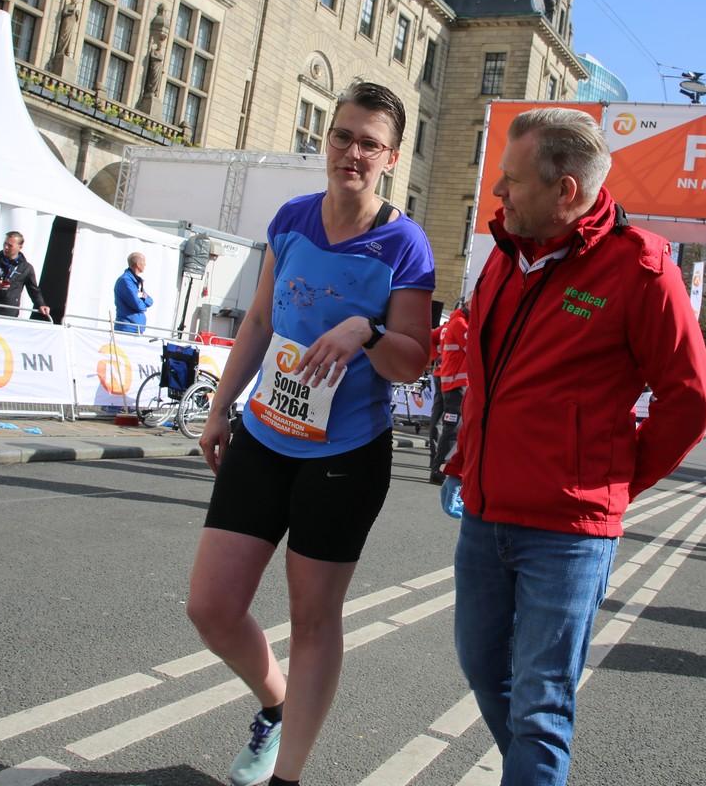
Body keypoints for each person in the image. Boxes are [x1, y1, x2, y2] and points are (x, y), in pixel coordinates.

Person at [439, 106, 706, 786]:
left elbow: (691, 401)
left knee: (541, 706)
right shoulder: (505, 253)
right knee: (483, 669)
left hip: (567, 533)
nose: (497, 192)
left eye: (512, 179)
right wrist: (464, 462)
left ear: (566, 190)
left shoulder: (642, 269)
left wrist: (612, 482)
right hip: (485, 515)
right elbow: (488, 380)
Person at [187, 81, 434, 786]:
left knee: (313, 619)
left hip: (346, 454)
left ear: (390, 158)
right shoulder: (292, 219)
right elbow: (260, 321)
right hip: (265, 434)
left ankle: (287, 778)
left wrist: (368, 332)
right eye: (343, 136)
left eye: (370, 144)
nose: (352, 152)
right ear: (327, 140)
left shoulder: (404, 243)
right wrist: (220, 408)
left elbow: (413, 360)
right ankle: (276, 704)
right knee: (211, 607)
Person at [427, 302, 467, 484]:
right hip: (452, 380)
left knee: (441, 420)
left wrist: (436, 356)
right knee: (450, 424)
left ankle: (436, 460)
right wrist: (437, 356)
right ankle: (438, 465)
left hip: (445, 377)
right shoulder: (459, 323)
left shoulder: (449, 324)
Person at [0, 231, 49, 318]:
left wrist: (41, 304)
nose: (6, 247)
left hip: (9, 312)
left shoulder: (26, 268)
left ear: (20, 247)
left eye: (10, 245)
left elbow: (33, 290)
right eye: (5, 243)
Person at [114, 252, 153, 333]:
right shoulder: (125, 281)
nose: (145, 264)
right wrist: (143, 302)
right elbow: (137, 305)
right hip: (127, 328)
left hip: (136, 328)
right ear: (138, 264)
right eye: (143, 263)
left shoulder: (136, 282)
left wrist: (143, 299)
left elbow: (150, 301)